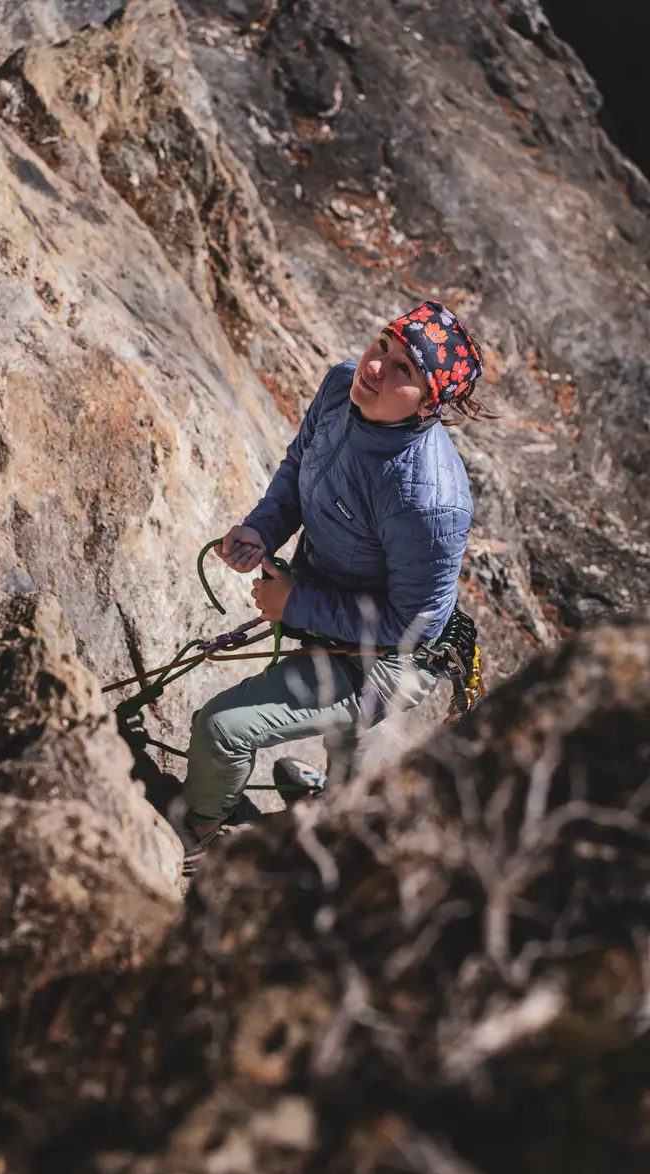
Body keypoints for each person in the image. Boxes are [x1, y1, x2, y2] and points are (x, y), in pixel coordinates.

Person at [182, 300, 491, 852]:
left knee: (222, 729)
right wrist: (262, 530)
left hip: (391, 658)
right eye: (382, 345)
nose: (375, 367)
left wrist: (294, 604)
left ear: (428, 404)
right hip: (334, 606)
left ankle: (196, 838)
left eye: (403, 369)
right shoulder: (341, 388)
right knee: (348, 738)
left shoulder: (430, 502)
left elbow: (413, 625)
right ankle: (344, 813)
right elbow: (299, 466)